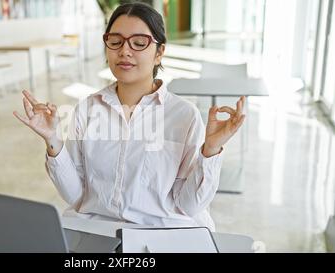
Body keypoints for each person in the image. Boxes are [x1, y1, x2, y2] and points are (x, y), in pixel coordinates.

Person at [13, 2, 245, 231]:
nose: (125, 51)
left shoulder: (184, 116)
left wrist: (211, 150)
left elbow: (190, 205)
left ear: (159, 53)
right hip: (99, 231)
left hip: (162, 232)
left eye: (139, 43)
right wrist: (52, 139)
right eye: (115, 42)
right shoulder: (88, 109)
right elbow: (75, 195)